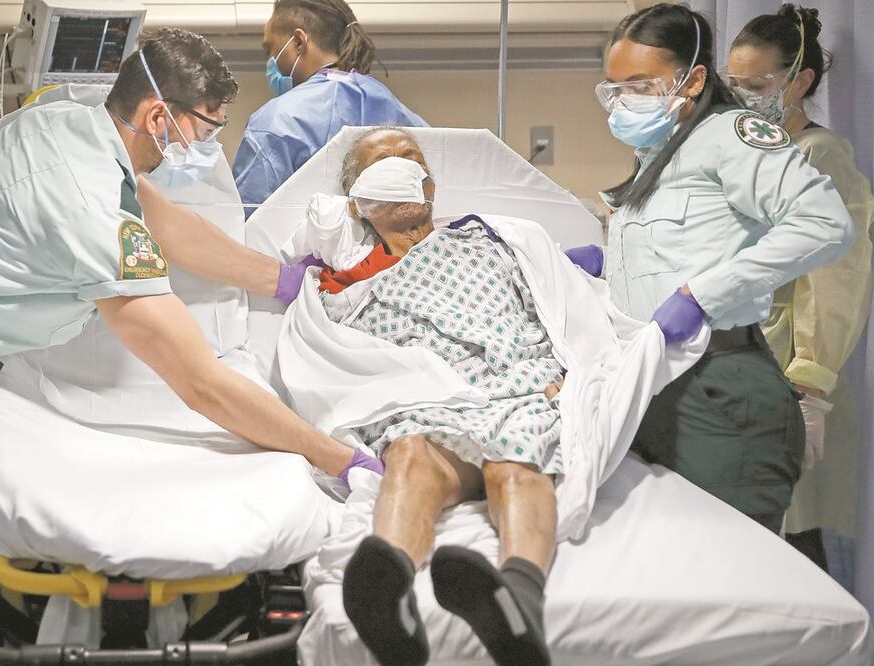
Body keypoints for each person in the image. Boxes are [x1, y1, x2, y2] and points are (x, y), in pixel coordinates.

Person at [0, 29, 380, 665]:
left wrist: (282, 279)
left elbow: (166, 222)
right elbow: (200, 382)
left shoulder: (63, 125)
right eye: (204, 130)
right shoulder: (89, 207)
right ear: (159, 116)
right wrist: (333, 455)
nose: (203, 147)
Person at [564, 3, 853, 533]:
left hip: (721, 390)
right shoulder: (661, 151)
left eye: (641, 85)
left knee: (729, 575)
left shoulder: (731, 135)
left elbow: (825, 222)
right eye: (615, 87)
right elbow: (687, 247)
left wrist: (703, 295)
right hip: (655, 385)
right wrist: (610, 267)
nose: (624, 101)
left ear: (694, 79)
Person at [327, 128, 560, 666]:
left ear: (431, 186)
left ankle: (520, 596)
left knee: (516, 459)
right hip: (426, 400)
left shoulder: (493, 243)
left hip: (516, 387)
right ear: (359, 202)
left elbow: (556, 312)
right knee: (408, 451)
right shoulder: (346, 287)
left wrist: (562, 371)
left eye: (413, 160)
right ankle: (390, 594)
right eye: (384, 163)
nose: (403, 167)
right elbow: (334, 363)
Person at [726, 5, 874, 565]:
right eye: (733, 84)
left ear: (801, 81)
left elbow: (840, 274)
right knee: (745, 530)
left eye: (758, 85)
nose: (743, 96)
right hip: (738, 365)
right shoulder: (745, 153)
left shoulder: (820, 155)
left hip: (790, 367)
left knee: (791, 531)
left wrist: (811, 384)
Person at [232, 0, 427, 216]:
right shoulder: (406, 119)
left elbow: (247, 221)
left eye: (272, 49)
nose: (271, 61)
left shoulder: (275, 122)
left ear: (298, 42)